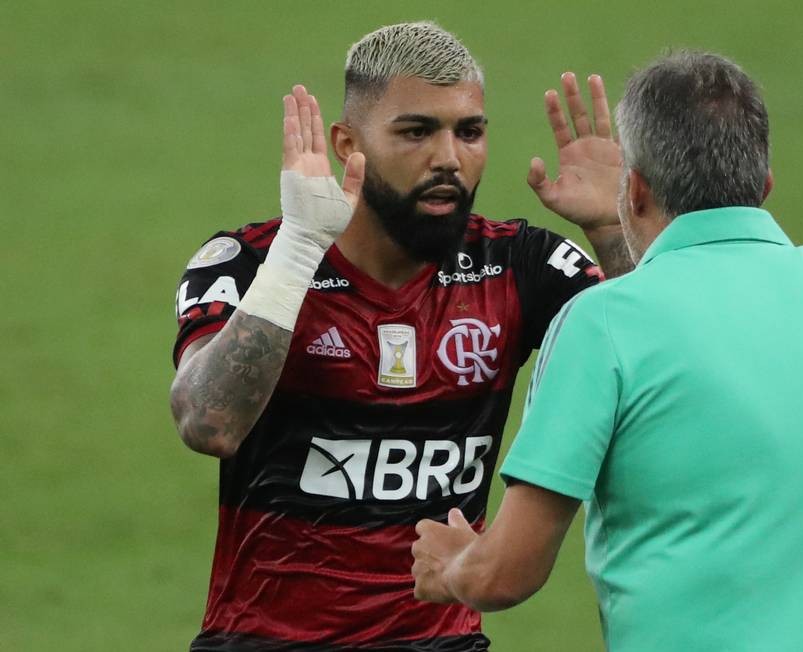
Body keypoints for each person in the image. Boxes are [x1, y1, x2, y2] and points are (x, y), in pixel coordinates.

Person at [411, 51, 803, 651]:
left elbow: (505, 574)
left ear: (635, 190)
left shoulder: (601, 324)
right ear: (764, 187)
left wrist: (453, 566)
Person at [169, 22, 629, 651]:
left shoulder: (521, 265)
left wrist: (612, 233)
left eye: (469, 131)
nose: (449, 158)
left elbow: (655, 368)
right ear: (346, 143)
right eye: (416, 131)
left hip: (443, 642)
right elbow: (208, 424)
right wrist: (299, 248)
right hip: (264, 641)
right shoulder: (250, 265)